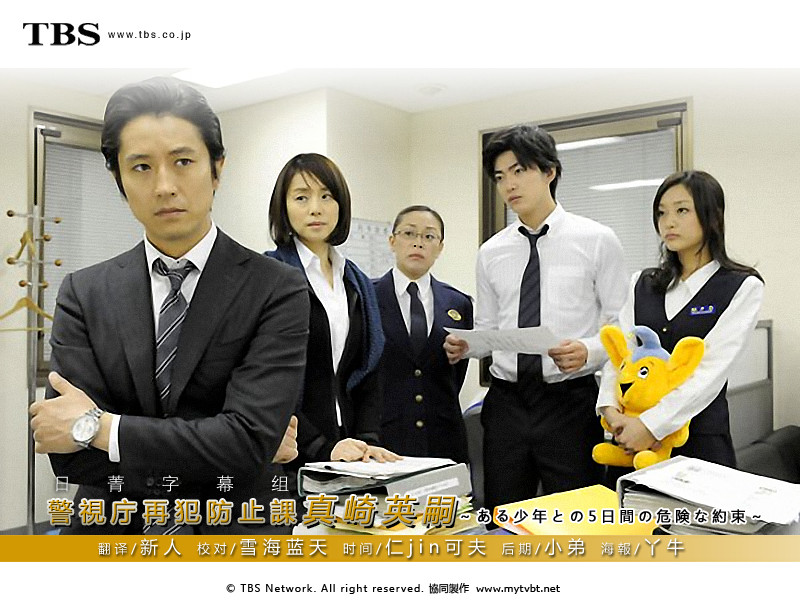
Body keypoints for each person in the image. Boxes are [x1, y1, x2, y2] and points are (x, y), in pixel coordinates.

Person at [28, 77, 309, 534]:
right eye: (141, 166)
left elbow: (246, 442)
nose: (163, 185)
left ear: (217, 169)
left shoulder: (277, 288)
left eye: (183, 161)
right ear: (118, 179)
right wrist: (231, 448)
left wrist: (99, 429)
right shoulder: (84, 292)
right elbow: (69, 458)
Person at [444, 124, 628, 515]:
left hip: (569, 401)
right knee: (504, 517)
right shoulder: (491, 252)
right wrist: (467, 345)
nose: (508, 184)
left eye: (519, 170)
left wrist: (590, 351)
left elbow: (621, 325)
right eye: (499, 177)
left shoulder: (597, 239)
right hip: (506, 403)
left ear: (549, 171)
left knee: (578, 518)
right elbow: (489, 326)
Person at [597, 170, 764, 468]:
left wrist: (650, 426)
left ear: (712, 216)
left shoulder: (742, 286)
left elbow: (710, 371)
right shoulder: (641, 283)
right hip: (630, 444)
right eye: (661, 213)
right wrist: (610, 410)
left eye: (682, 210)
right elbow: (621, 355)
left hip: (700, 444)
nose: (668, 222)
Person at [267, 153, 399, 465]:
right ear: (283, 207)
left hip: (350, 450)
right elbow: (268, 380)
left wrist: (367, 441)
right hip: (290, 452)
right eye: (301, 197)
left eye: (326, 196)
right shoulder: (268, 275)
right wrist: (321, 447)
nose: (316, 208)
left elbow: (369, 369)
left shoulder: (356, 281)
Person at [374, 205, 473, 463]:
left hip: (443, 436)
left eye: (429, 236)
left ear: (440, 247)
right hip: (383, 437)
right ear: (392, 241)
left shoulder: (458, 303)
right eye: (409, 233)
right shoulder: (367, 296)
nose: (418, 243)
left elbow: (457, 372)